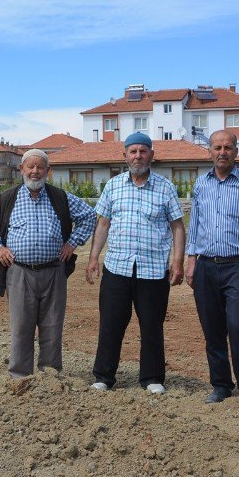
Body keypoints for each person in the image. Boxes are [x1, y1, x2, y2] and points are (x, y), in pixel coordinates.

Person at [0, 149, 96, 379]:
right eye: (30, 167)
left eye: (40, 167)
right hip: (19, 272)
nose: (35, 172)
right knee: (21, 327)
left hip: (54, 272)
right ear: (21, 170)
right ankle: (19, 378)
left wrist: (72, 243)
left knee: (52, 327)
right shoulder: (7, 198)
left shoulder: (60, 198)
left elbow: (89, 216)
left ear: (48, 171)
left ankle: (49, 377)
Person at [85, 133, 185, 394]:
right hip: (117, 268)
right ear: (125, 155)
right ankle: (103, 376)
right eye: (133, 151)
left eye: (143, 151)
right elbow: (103, 224)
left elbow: (177, 227)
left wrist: (177, 262)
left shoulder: (165, 187)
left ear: (151, 155)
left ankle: (152, 378)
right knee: (111, 324)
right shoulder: (113, 186)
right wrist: (94, 257)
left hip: (153, 271)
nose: (138, 156)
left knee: (152, 325)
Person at [185, 130, 239, 415]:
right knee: (212, 328)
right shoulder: (201, 184)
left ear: (236, 151)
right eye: (217, 147)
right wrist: (191, 260)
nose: (222, 152)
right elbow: (195, 224)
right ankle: (221, 385)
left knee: (238, 325)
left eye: (227, 147)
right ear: (209, 151)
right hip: (206, 265)